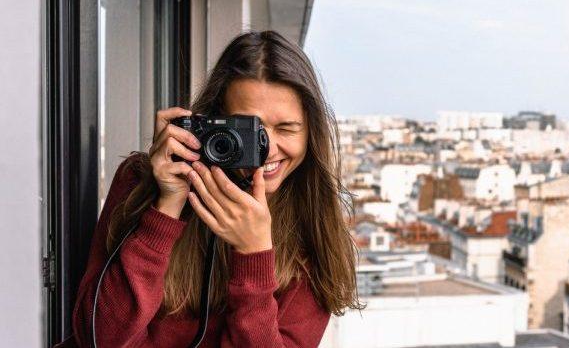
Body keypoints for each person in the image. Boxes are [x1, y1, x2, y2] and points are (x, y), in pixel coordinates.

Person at [66, 30, 364, 347]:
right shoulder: (140, 181)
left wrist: (255, 255)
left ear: (310, 134)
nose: (267, 149)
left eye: (286, 129)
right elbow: (100, 338)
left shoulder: (314, 234)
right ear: (213, 120)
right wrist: (166, 207)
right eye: (248, 129)